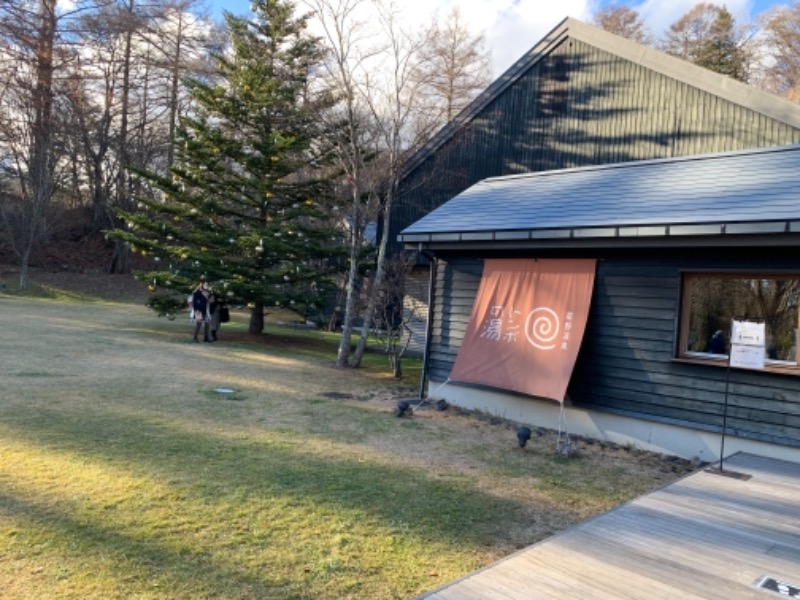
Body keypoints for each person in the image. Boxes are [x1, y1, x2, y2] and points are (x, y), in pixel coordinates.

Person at [191, 278, 211, 343]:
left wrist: (207, 294)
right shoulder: (196, 292)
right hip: (199, 310)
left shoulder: (208, 292)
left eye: (206, 284)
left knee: (207, 324)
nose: (206, 285)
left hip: (206, 310)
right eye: (204, 284)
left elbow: (210, 300)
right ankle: (195, 337)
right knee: (198, 324)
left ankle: (206, 337)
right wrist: (196, 310)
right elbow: (194, 302)